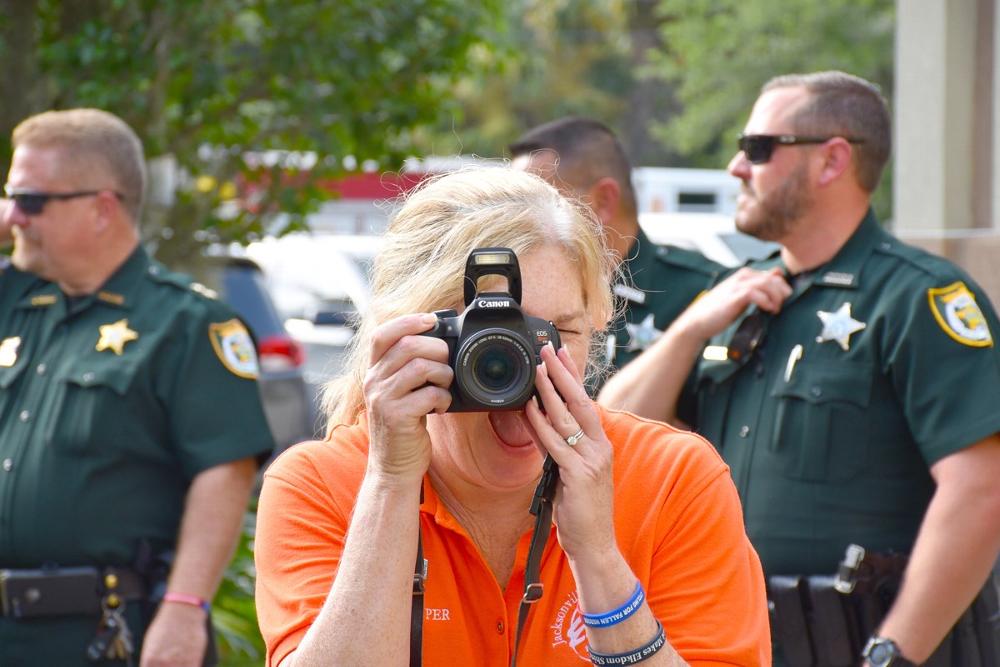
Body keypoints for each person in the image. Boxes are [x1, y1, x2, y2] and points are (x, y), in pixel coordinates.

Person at [254, 167, 771, 666]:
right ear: (402, 337)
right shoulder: (321, 485)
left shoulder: (671, 479)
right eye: (488, 343)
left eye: (555, 334)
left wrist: (599, 559)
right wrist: (390, 485)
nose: (524, 370)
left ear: (595, 331)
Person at [599, 71, 1000, 665]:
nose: (737, 167)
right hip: (740, 642)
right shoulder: (734, 297)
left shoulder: (917, 298)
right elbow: (610, 433)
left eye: (758, 149)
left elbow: (980, 489)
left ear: (832, 161)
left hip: (868, 647)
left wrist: (893, 654)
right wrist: (687, 331)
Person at [0, 108, 275, 666]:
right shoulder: (16, 302)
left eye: (30, 201)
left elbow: (224, 472)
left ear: (103, 208)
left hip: (101, 635)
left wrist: (183, 605)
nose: (12, 218)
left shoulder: (186, 323)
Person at [509, 117, 723, 393]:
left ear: (604, 200)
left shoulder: (704, 292)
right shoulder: (516, 294)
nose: (517, 219)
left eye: (541, 201)